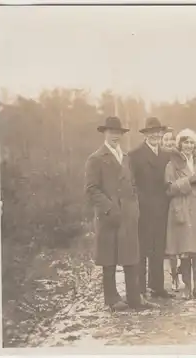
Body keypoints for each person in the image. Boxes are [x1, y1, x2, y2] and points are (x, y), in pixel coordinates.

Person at [84, 116, 149, 311]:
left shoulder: (126, 157)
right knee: (109, 259)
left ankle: (134, 298)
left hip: (128, 215)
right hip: (108, 216)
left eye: (118, 133)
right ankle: (112, 299)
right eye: (111, 132)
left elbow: (133, 184)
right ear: (105, 133)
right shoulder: (95, 158)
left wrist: (134, 205)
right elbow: (91, 189)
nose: (115, 136)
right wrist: (110, 208)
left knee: (130, 257)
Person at [165, 128, 196, 300]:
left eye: (191, 142)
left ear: (195, 145)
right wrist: (188, 181)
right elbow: (169, 189)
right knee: (185, 251)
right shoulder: (172, 165)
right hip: (183, 208)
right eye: (185, 142)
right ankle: (187, 287)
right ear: (180, 144)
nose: (188, 145)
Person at [129, 117, 175, 300]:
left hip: (162, 208)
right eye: (152, 132)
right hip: (143, 209)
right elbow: (131, 183)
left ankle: (157, 287)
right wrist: (138, 204)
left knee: (158, 248)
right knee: (142, 249)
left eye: (159, 132)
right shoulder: (135, 155)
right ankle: (140, 289)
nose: (156, 135)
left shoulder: (166, 155)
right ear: (146, 134)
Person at [160, 127, 181, 292]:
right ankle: (170, 276)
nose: (169, 143)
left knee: (179, 243)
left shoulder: (180, 158)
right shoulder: (158, 158)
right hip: (161, 204)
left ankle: (180, 276)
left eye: (172, 140)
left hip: (178, 202)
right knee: (168, 245)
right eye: (166, 140)